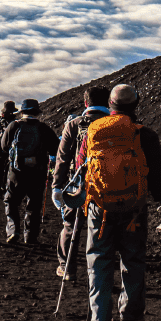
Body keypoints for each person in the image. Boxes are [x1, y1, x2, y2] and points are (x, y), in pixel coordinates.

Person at [78, 84, 161, 321]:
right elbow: (157, 174)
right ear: (135, 104)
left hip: (100, 206)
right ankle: (129, 315)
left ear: (110, 104)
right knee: (133, 259)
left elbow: (83, 167)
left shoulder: (93, 130)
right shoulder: (145, 134)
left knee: (98, 259)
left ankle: (99, 319)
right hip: (134, 207)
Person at [51, 86, 115, 281]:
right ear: (108, 103)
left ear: (86, 103)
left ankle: (66, 267)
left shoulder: (75, 124)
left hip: (77, 182)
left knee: (71, 225)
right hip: (106, 185)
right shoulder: (114, 124)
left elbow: (62, 158)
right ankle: (98, 274)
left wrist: (57, 186)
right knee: (101, 229)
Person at [1, 97, 57, 245]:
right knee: (34, 204)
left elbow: (3, 146)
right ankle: (30, 237)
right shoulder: (43, 128)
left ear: (22, 112)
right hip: (38, 172)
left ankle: (13, 231)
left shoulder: (14, 125)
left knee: (10, 200)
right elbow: (55, 148)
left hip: (16, 171)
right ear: (36, 112)